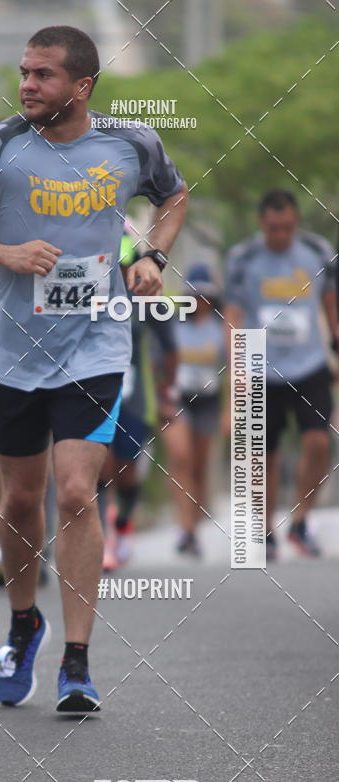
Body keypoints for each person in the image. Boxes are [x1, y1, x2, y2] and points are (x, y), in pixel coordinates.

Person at [0, 25, 187, 712]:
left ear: (82, 86)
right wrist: (3, 254)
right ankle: (22, 624)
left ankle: (77, 663)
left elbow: (174, 197)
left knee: (74, 493)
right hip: (12, 350)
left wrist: (152, 256)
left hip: (96, 344)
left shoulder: (131, 145)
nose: (27, 85)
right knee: (19, 499)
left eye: (43, 75)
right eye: (24, 73)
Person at [224, 189, 338, 561]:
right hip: (261, 366)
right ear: (262, 223)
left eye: (287, 227)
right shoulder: (242, 258)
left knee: (318, 442)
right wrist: (236, 369)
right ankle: (266, 529)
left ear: (296, 222)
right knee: (264, 456)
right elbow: (233, 316)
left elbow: (331, 304)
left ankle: (300, 520)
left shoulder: (317, 252)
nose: (281, 235)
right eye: (274, 228)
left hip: (310, 365)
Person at [100, 224, 178, 570]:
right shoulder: (87, 294)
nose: (118, 271)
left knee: (126, 472)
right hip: (96, 394)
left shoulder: (145, 298)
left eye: (123, 264)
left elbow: (171, 350)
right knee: (99, 468)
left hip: (135, 398)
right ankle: (101, 538)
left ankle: (122, 524)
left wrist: (166, 392)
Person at [159, 263, 225, 558]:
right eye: (195, 295)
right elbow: (158, 361)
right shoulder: (173, 325)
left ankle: (193, 528)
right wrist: (162, 397)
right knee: (181, 458)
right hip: (177, 398)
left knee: (199, 465)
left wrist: (232, 410)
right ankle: (184, 527)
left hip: (208, 401)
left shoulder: (220, 327)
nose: (200, 300)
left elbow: (235, 368)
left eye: (205, 295)